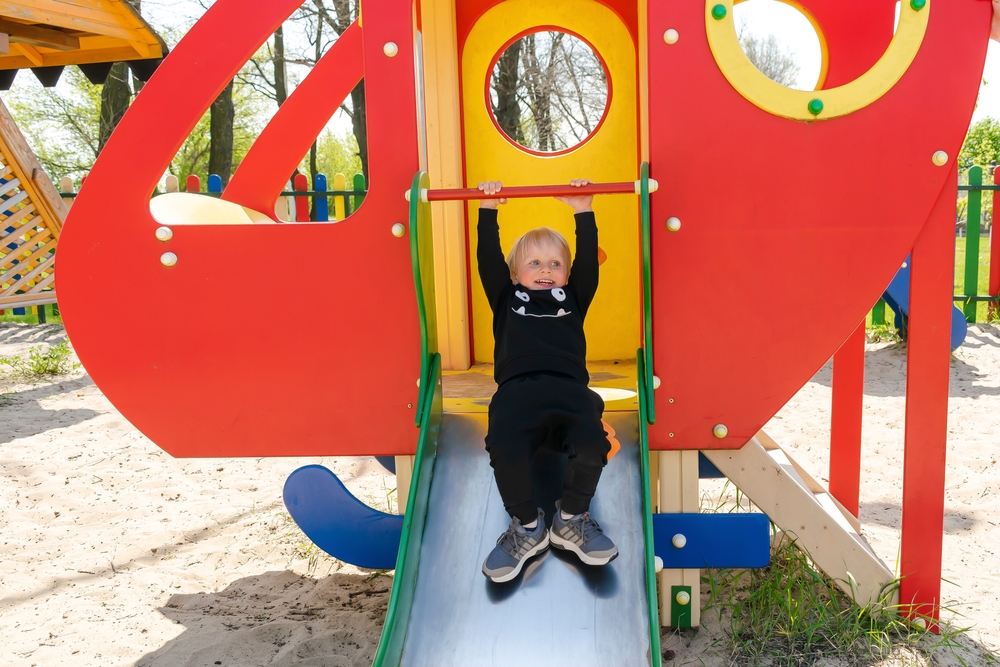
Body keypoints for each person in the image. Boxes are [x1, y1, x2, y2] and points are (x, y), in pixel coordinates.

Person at [476, 178, 618, 583]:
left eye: (555, 263)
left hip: (570, 389)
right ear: (515, 274)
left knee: (595, 441)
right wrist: (489, 211)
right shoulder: (506, 297)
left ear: (567, 273)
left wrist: (582, 210)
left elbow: (588, 261)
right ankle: (526, 526)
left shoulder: (574, 296)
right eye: (534, 263)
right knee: (503, 443)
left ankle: (570, 518)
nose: (544, 270)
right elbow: (487, 259)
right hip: (517, 392)